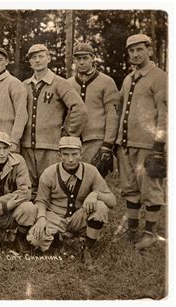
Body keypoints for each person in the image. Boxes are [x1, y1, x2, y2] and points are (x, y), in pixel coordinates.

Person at [27, 137, 116, 265]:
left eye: (74, 154)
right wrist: (41, 218)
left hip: (79, 217)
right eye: (66, 154)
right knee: (35, 240)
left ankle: (87, 247)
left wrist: (95, 194)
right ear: (59, 155)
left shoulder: (91, 171)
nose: (70, 159)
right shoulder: (49, 173)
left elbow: (112, 201)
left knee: (100, 206)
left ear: (81, 153)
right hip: (56, 217)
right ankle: (59, 239)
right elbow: (41, 200)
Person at [116, 34, 167, 249]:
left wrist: (159, 145)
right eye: (131, 50)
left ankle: (150, 232)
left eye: (139, 49)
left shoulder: (160, 77)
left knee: (150, 188)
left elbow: (165, 113)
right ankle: (133, 228)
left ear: (149, 50)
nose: (135, 54)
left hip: (148, 144)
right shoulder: (129, 78)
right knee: (130, 187)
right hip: (126, 142)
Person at [21, 44, 87, 200]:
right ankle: (30, 221)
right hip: (26, 146)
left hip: (50, 146)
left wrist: (68, 134)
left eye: (41, 56)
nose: (37, 60)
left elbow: (79, 109)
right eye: (34, 58)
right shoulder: (24, 85)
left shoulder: (60, 83)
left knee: (51, 186)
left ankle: (51, 221)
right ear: (30, 62)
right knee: (28, 188)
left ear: (48, 59)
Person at [67, 42, 119, 174]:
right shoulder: (68, 84)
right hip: (73, 141)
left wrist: (107, 144)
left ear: (93, 58)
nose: (82, 62)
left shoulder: (106, 82)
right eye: (78, 59)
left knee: (94, 181)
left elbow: (112, 114)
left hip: (96, 140)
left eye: (85, 58)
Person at [0, 47, 28, 153]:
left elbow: (21, 115)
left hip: (8, 140)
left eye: (0, 60)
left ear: (6, 62)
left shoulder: (14, 84)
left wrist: (14, 141)